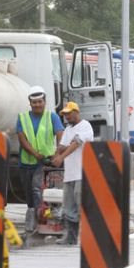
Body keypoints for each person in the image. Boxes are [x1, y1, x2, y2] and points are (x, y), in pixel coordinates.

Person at [16, 85, 64, 235]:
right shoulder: (22, 118)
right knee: (29, 193)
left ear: (45, 102)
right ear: (30, 103)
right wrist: (34, 153)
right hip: (26, 162)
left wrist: (57, 153)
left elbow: (60, 134)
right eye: (34, 102)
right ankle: (32, 215)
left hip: (45, 163)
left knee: (38, 190)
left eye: (40, 102)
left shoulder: (52, 116)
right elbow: (22, 138)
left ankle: (38, 220)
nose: (37, 105)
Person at [51, 101, 94, 245]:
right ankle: (71, 237)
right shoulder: (68, 129)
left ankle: (90, 237)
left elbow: (76, 144)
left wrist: (61, 157)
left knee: (82, 205)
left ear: (77, 112)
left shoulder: (85, 126)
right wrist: (56, 155)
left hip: (82, 173)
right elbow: (62, 145)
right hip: (69, 173)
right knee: (69, 206)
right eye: (65, 114)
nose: (67, 116)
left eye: (69, 113)